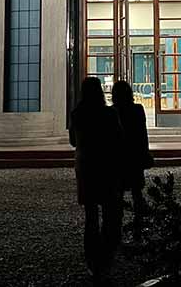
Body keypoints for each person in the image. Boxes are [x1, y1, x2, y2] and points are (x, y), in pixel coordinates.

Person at [69, 77, 123, 283]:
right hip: (106, 166)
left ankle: (92, 258)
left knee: (91, 214)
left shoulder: (77, 114)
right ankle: (107, 254)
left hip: (86, 167)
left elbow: (73, 141)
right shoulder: (109, 113)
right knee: (109, 210)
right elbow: (119, 138)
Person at [111, 80, 152, 243]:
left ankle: (116, 229)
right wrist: (145, 153)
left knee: (118, 193)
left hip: (119, 158)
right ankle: (139, 226)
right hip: (134, 156)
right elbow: (142, 134)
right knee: (137, 192)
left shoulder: (112, 112)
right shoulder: (137, 109)